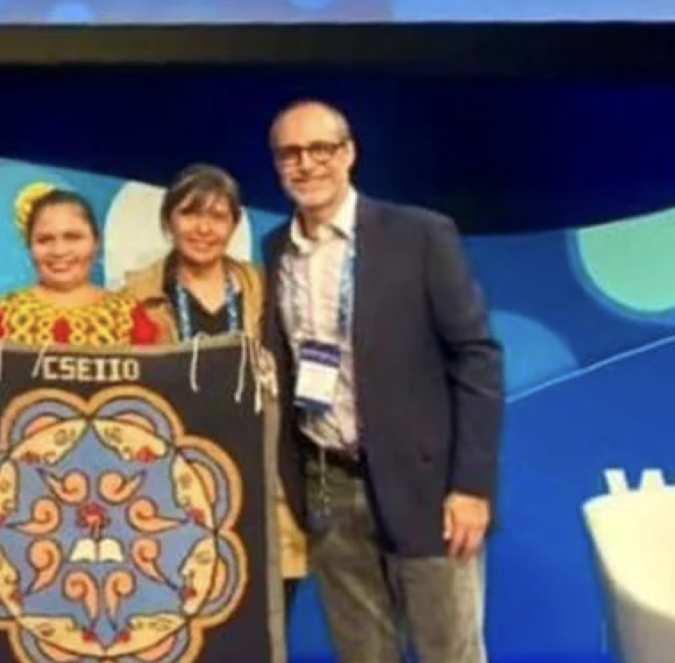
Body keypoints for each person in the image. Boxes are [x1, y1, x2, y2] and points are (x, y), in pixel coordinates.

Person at [262, 99, 504, 663]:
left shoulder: (419, 234)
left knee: (450, 652)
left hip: (427, 489)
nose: (306, 164)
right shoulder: (275, 250)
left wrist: (471, 486)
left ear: (349, 153)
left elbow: (476, 357)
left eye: (320, 149)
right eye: (289, 154)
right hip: (328, 486)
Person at [117, 164, 308, 611]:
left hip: (263, 483)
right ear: (168, 221)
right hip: (171, 489)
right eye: (189, 213)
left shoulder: (267, 290)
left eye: (218, 216)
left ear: (235, 224)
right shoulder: (134, 298)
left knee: (266, 623)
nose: (203, 228)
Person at [0, 182, 165, 345]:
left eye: (73, 237)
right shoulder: (4, 314)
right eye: (45, 240)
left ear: (96, 243)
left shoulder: (128, 317)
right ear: (29, 246)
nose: (59, 251)